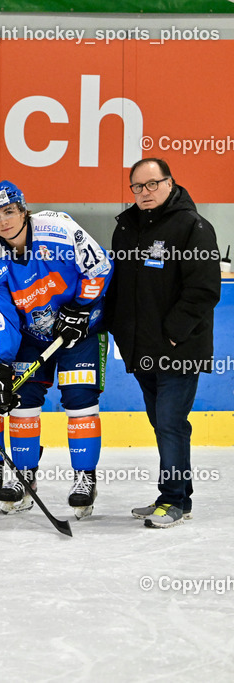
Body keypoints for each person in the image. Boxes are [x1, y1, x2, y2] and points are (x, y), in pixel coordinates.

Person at [0, 180, 113, 518]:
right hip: (33, 337)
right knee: (22, 400)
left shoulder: (59, 229)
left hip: (81, 331)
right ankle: (25, 476)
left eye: (9, 212)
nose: (4, 222)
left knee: (79, 398)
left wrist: (81, 307)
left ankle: (85, 477)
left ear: (23, 209)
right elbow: (3, 319)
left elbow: (99, 266)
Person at [108, 158, 220, 529]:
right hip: (141, 350)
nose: (145, 193)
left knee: (171, 422)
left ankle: (172, 499)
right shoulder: (125, 227)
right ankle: (176, 497)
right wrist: (120, 332)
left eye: (152, 184)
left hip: (178, 350)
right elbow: (120, 287)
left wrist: (172, 333)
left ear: (169, 183)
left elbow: (204, 290)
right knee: (162, 422)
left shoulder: (193, 227)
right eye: (137, 187)